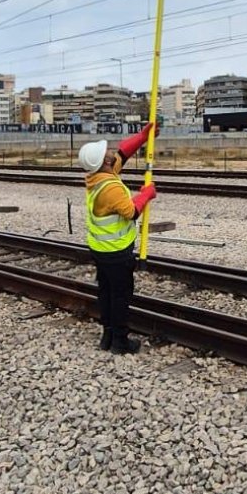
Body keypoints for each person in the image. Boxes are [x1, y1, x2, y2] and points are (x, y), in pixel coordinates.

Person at [78, 125, 157, 355]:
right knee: (120, 295)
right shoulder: (109, 188)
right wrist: (147, 194)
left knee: (106, 292)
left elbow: (123, 152)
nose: (112, 151)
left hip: (101, 249)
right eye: (107, 152)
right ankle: (121, 342)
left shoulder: (97, 176)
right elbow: (131, 211)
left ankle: (108, 336)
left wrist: (143, 137)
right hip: (116, 252)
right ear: (104, 162)